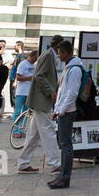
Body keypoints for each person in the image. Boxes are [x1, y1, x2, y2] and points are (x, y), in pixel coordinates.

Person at [17, 37, 63, 176]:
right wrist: (51, 91)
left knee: (34, 134)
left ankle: (23, 162)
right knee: (48, 130)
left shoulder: (49, 55)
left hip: (41, 99)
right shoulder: (48, 55)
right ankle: (54, 163)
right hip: (41, 99)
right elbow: (39, 76)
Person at [47, 41, 86, 189]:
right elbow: (64, 91)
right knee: (63, 144)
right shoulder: (69, 67)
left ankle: (65, 177)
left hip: (68, 111)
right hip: (64, 110)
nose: (58, 55)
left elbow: (71, 93)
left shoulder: (74, 69)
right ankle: (62, 175)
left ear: (67, 53)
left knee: (66, 145)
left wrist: (61, 110)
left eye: (60, 52)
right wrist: (58, 110)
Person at [13, 50, 36, 121]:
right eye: (35, 57)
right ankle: (16, 129)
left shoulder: (34, 65)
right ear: (31, 56)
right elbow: (18, 77)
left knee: (26, 112)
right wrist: (29, 78)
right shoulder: (23, 64)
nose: (36, 59)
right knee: (18, 112)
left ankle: (22, 129)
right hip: (21, 92)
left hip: (29, 93)